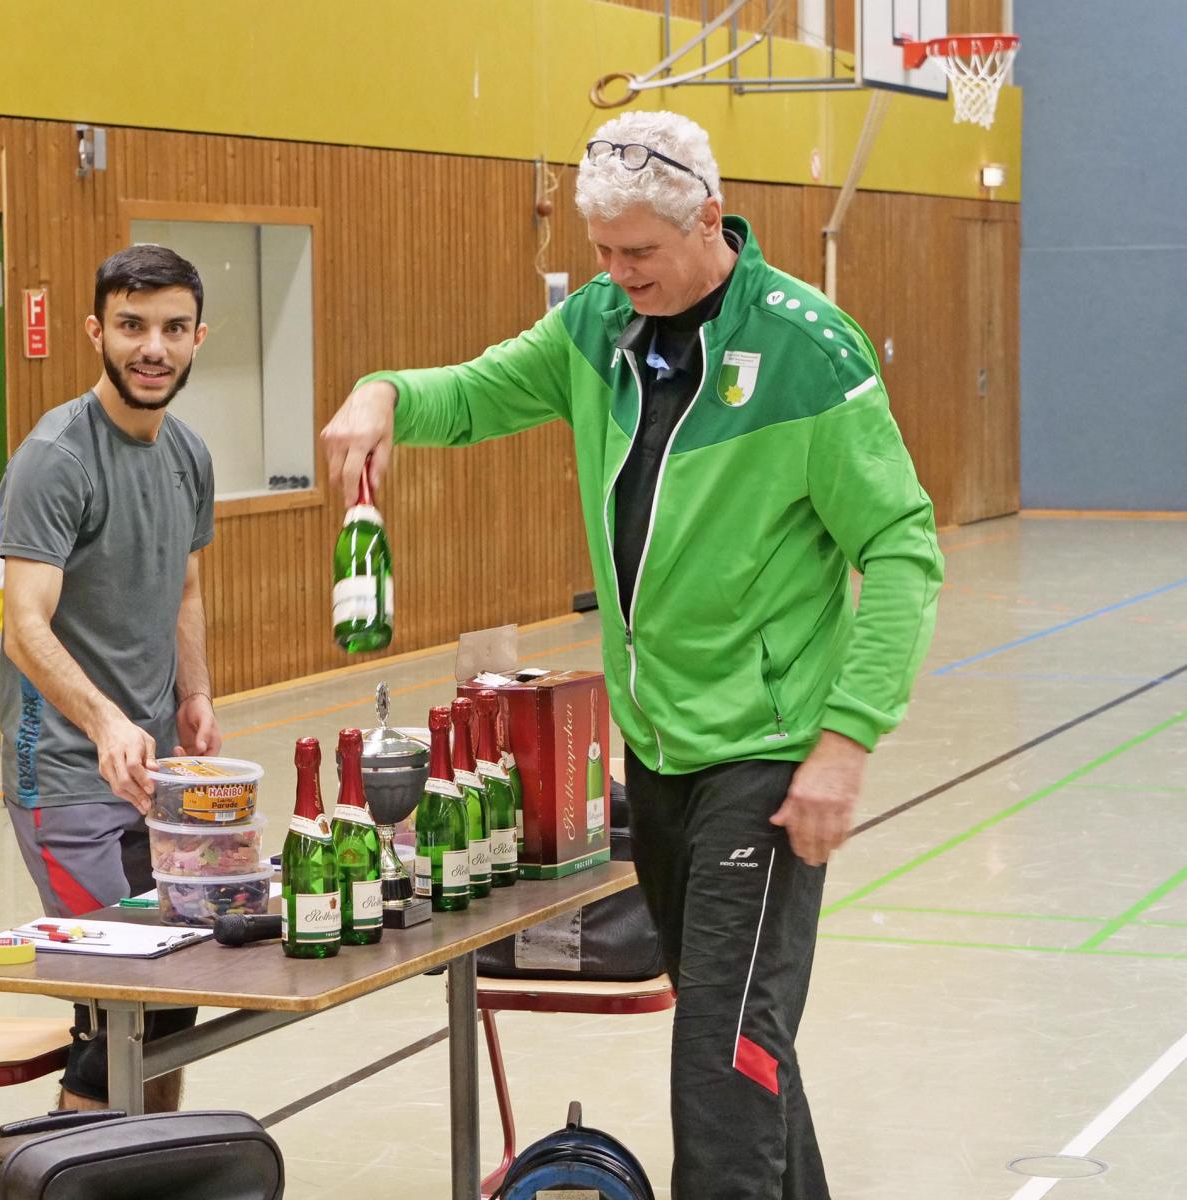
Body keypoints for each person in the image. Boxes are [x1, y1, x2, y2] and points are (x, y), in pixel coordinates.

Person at [320, 110, 942, 1199]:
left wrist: (846, 742)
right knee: (739, 1044)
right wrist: (382, 394)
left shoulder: (809, 352)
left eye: (639, 252)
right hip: (655, 755)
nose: (618, 275)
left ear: (710, 218)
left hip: (767, 757)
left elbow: (901, 549)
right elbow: (471, 394)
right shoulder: (599, 326)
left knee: (721, 1067)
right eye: (602, 253)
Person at [0, 244, 220, 1113]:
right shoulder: (57, 457)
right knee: (126, 992)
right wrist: (103, 721)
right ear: (97, 332)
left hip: (152, 773)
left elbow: (186, 588)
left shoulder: (187, 454)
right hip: (64, 776)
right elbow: (24, 625)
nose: (152, 348)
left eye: (172, 328)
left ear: (198, 337)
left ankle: (146, 1164)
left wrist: (194, 695)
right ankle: (60, 1166)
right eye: (132, 326)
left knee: (174, 986)